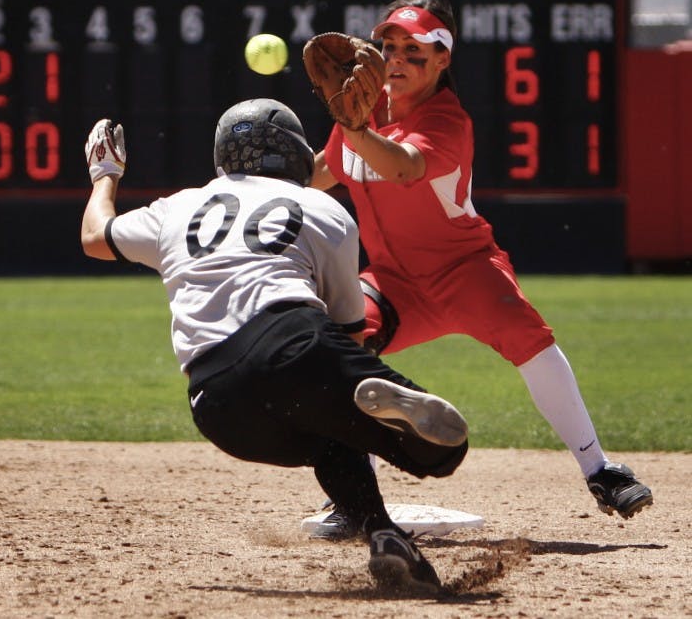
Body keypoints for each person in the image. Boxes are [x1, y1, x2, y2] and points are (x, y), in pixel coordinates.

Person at [80, 99, 470, 593]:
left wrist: (105, 174)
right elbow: (351, 332)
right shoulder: (323, 208)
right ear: (295, 153)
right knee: (441, 453)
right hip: (293, 337)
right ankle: (405, 432)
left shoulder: (177, 207)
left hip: (215, 400)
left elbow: (95, 236)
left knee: (331, 441)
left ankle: (383, 533)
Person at [304, 0, 652, 538]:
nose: (395, 57)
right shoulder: (363, 108)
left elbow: (401, 167)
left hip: (464, 269)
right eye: (388, 45)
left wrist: (354, 129)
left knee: (529, 338)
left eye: (411, 48)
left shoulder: (446, 120)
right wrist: (262, 171)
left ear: (442, 57)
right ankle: (355, 498)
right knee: (335, 340)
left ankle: (601, 468)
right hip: (394, 284)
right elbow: (323, 172)